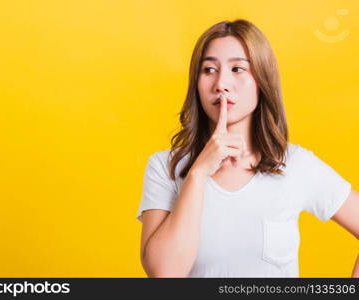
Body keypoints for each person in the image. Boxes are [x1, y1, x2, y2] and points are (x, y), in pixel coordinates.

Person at [136, 19, 359, 278]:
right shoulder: (165, 167)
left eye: (238, 69)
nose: (221, 84)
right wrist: (198, 174)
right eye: (209, 69)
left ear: (262, 80)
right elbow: (163, 275)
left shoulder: (297, 165)